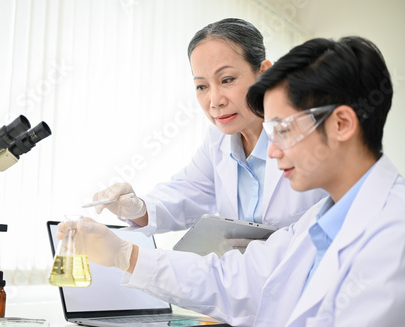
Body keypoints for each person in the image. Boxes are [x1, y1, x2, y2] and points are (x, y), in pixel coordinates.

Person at [61, 36, 405, 326]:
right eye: (201, 86)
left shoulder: (392, 236)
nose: (272, 152)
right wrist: (125, 253)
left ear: (341, 124)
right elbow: (234, 278)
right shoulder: (314, 226)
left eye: (283, 130)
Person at [91, 18, 327, 242]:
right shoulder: (218, 142)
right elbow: (185, 193)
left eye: (226, 80)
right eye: (202, 86)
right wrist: (138, 207)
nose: (214, 101)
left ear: (264, 72)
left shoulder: (310, 133)